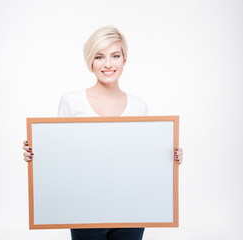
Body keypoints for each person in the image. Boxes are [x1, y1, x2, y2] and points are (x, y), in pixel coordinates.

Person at [23, 26, 183, 240]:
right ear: (91, 61)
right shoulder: (71, 101)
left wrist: (169, 157)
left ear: (124, 60)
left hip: (131, 210)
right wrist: (36, 153)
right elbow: (59, 158)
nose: (108, 64)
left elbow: (144, 161)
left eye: (115, 56)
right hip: (84, 210)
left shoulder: (139, 106)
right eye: (100, 57)